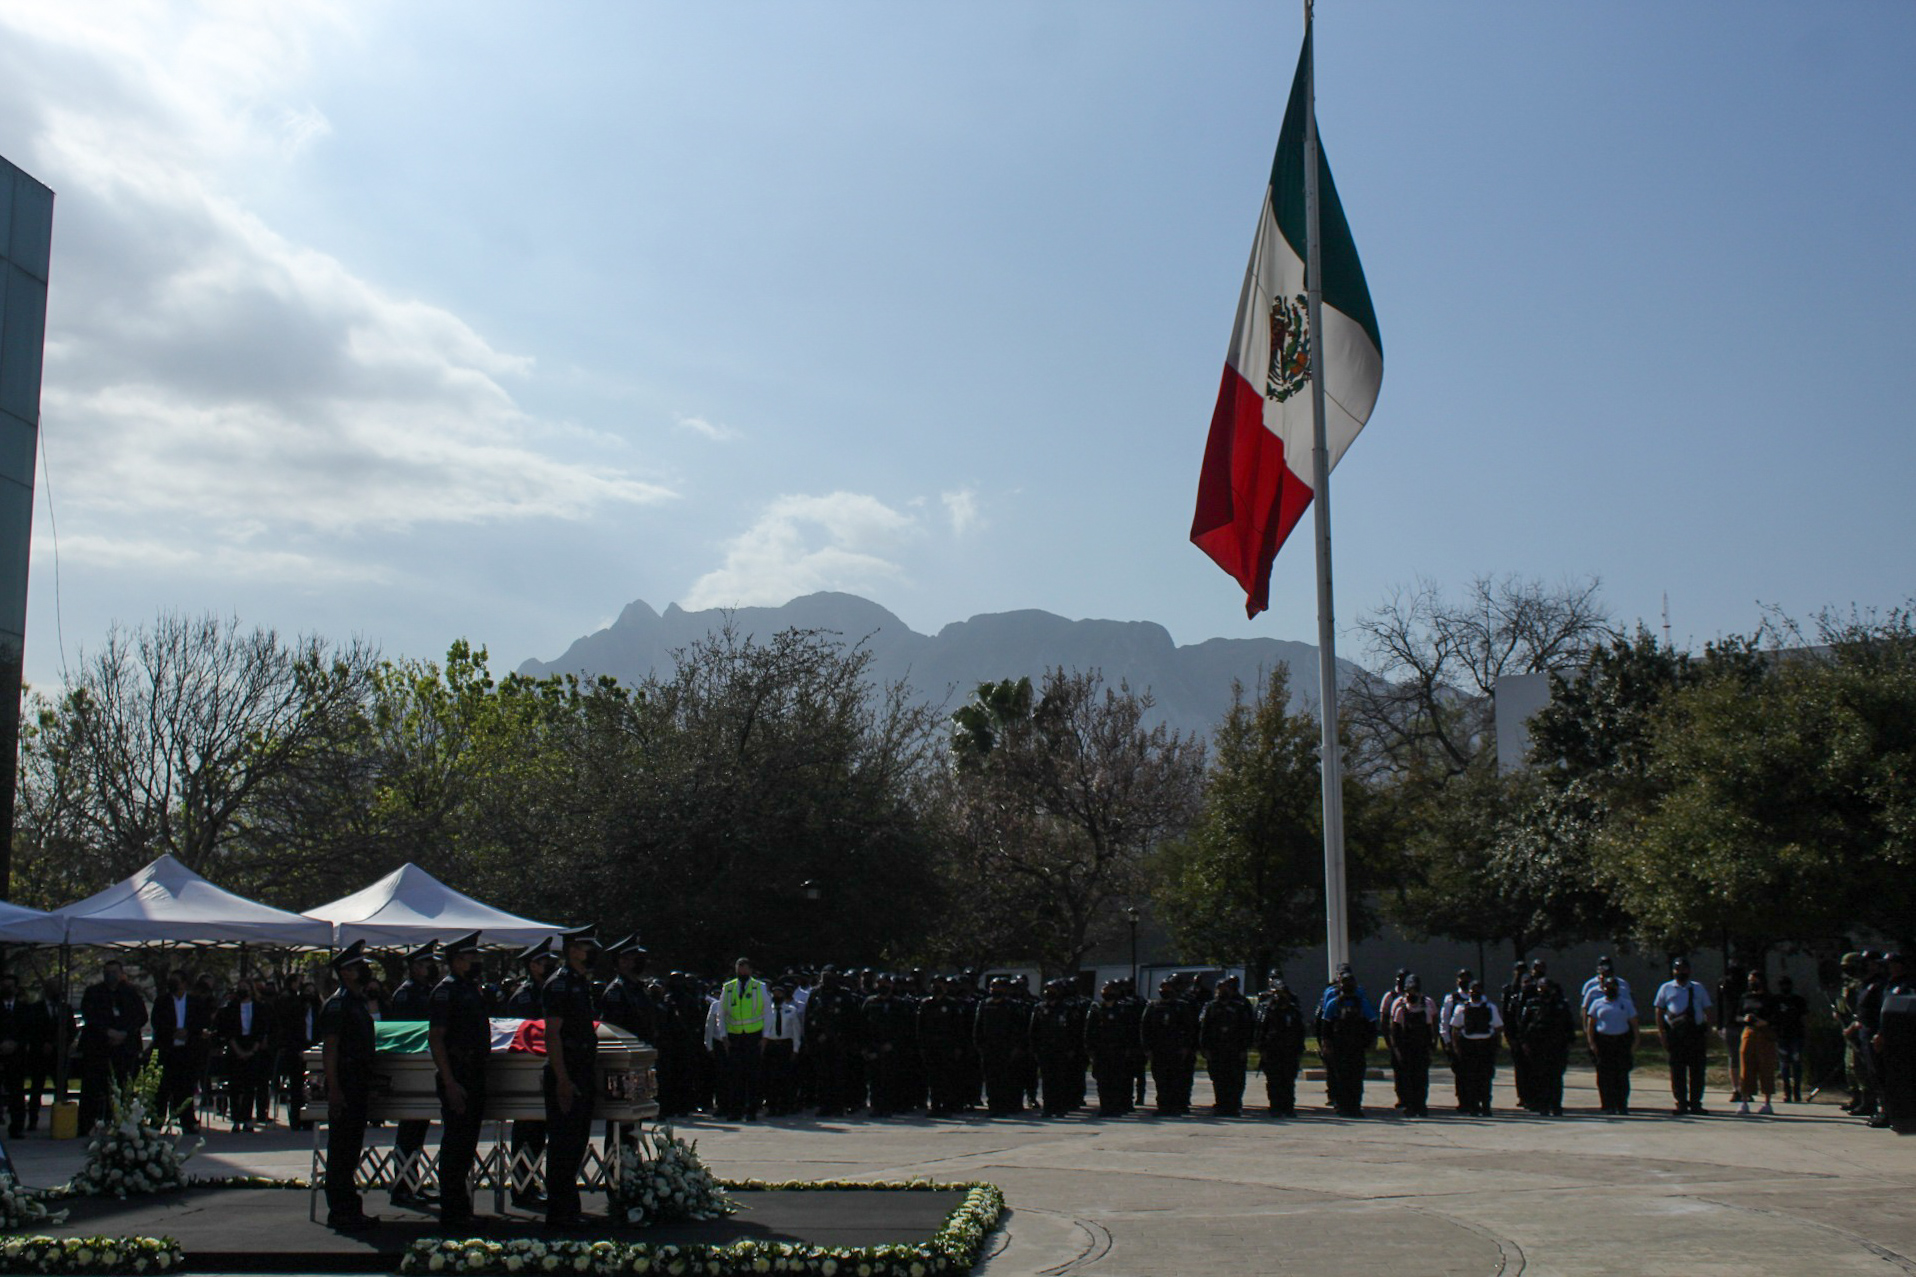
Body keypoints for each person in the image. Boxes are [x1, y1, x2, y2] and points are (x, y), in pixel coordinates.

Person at [541, 925, 601, 1228]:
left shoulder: (580, 983)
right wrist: (562, 1079)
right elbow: (552, 1035)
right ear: (572, 950)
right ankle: (559, 1213)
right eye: (587, 947)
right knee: (563, 1144)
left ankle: (569, 1209)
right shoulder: (560, 984)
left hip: (581, 1067)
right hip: (566, 1070)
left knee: (576, 1143)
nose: (592, 952)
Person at [429, 932, 489, 1230]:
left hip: (474, 1073)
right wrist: (450, 1081)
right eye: (470, 957)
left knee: (466, 1145)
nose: (476, 961)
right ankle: (452, 1210)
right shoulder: (446, 991)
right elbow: (437, 1038)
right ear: (455, 961)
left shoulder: (470, 989)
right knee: (455, 1145)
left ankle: (460, 1206)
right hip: (458, 1073)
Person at [319, 941, 379, 1232]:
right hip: (345, 1082)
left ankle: (349, 1207)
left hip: (358, 1082)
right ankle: (340, 1210)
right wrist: (334, 1089)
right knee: (341, 1149)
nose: (363, 970)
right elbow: (330, 1050)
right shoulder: (338, 1004)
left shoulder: (357, 1001)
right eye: (357, 967)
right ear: (344, 972)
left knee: (351, 1147)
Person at [386, 943, 439, 1208]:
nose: (431, 968)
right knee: (409, 1132)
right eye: (426, 964)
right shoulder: (406, 995)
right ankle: (402, 1186)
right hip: (411, 1067)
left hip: (424, 1066)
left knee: (417, 1131)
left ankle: (411, 1182)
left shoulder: (426, 992)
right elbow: (407, 1032)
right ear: (415, 967)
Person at [505, 938, 555, 1206]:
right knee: (526, 1131)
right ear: (532, 966)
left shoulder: (545, 991)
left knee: (538, 1133)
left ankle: (531, 1183)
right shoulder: (524, 996)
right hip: (527, 1070)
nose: (548, 965)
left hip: (543, 1068)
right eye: (543, 961)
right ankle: (522, 1186)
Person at [78, 959, 147, 1135]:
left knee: (123, 1088)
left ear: (121, 973)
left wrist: (125, 1033)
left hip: (125, 1048)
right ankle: (87, 1125)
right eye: (107, 972)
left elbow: (140, 1016)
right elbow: (90, 1015)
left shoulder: (131, 993)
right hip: (99, 1048)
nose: (111, 975)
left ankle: (121, 1124)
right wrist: (107, 1032)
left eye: (114, 972)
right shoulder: (94, 992)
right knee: (93, 1088)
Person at [1654, 956, 1714, 1116]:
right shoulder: (1666, 988)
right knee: (1677, 1070)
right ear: (1673, 971)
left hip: (1695, 1033)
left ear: (1689, 970)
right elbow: (1659, 1011)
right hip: (1676, 1035)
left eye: (1683, 969)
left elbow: (1708, 1009)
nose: (1681, 972)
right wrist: (1662, 1033)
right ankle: (1681, 1103)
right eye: (1677, 969)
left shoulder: (1698, 988)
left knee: (1697, 1070)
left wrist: (1709, 1030)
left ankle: (1696, 1103)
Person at [1316, 969, 1377, 1118]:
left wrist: (1371, 1042)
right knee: (1341, 1078)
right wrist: (1326, 1044)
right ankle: (1342, 1106)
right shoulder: (1333, 1003)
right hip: (1339, 1048)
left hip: (1357, 1047)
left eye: (1351, 981)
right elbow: (1326, 1026)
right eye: (1345, 981)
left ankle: (1355, 1106)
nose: (1348, 984)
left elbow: (1372, 1023)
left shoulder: (1362, 1003)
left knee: (1356, 1079)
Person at [1867, 953, 1916, 1133]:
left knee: (1900, 1079)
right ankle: (1889, 1112)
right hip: (1887, 1039)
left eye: (1890, 964)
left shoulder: (1907, 986)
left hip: (1899, 1040)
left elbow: (1896, 1014)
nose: (1886, 968)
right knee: (1884, 1077)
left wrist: (1882, 1033)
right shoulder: (1889, 984)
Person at [803, 966, 861, 1117]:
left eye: (829, 976)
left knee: (839, 1076)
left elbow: (852, 1020)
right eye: (824, 976)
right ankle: (824, 1106)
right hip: (819, 1043)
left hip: (839, 1042)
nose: (826, 979)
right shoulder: (815, 994)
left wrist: (847, 1040)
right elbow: (808, 1019)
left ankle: (838, 1106)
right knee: (822, 1076)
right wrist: (811, 1041)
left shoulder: (844, 994)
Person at [217, 977, 273, 1132]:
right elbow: (227, 1031)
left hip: (252, 1047)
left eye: (245, 987)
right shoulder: (231, 1008)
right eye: (240, 987)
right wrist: (238, 1050)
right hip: (235, 1047)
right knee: (235, 1086)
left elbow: (261, 1029)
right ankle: (236, 1119)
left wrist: (253, 1049)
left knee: (250, 1086)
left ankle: (247, 1118)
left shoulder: (259, 1008)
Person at [718, 957, 770, 1122]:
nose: (741, 971)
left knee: (752, 1076)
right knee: (735, 1076)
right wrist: (723, 1036)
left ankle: (751, 1110)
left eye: (744, 968)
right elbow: (722, 1013)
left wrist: (766, 1036)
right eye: (739, 968)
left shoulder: (759, 987)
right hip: (735, 1037)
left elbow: (768, 1012)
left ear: (750, 970)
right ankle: (735, 1110)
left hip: (753, 1036)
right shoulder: (728, 987)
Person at [1517, 972, 1575, 1118]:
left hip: (1557, 1046)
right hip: (1537, 1046)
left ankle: (1556, 1105)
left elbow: (1569, 1025)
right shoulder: (1532, 1004)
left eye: (1546, 987)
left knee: (1555, 1077)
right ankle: (1542, 1105)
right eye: (1540, 987)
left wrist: (1569, 1042)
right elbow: (1523, 1025)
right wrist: (1524, 1042)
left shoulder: (1560, 1004)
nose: (1543, 990)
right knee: (1540, 1076)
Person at [20, 980, 74, 1133]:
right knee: (37, 1087)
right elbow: (31, 1029)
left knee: (61, 1087)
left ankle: (61, 1120)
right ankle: (32, 1120)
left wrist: (60, 1044)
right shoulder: (35, 1009)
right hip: (40, 1054)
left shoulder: (65, 1009)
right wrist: (42, 1043)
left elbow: (71, 1030)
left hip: (58, 1053)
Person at [1199, 974, 1255, 1117]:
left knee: (1235, 1079)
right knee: (1219, 1079)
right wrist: (1204, 1047)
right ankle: (1221, 1105)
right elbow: (1204, 1028)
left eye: (1226, 988)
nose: (1223, 991)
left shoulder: (1240, 1007)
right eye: (1220, 988)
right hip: (1217, 1049)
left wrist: (1244, 1047)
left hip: (1235, 1049)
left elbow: (1247, 1028)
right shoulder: (1211, 1007)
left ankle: (1234, 1106)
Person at [1141, 978, 1198, 1116]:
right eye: (1162, 987)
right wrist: (1147, 1048)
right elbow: (1144, 1028)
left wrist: (1186, 1047)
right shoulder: (1153, 1007)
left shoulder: (1181, 1007)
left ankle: (1176, 1106)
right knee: (1160, 1080)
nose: (1164, 990)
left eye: (1167, 988)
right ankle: (1163, 1106)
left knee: (1176, 1079)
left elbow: (1190, 1028)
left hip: (1175, 1049)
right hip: (1158, 1050)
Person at [974, 978, 1028, 1115]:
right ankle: (994, 1106)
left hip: (1006, 1048)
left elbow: (1020, 1028)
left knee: (1006, 1078)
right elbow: (978, 1026)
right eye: (992, 986)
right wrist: (979, 1045)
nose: (994, 989)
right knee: (991, 1079)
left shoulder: (1013, 1006)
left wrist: (1017, 1047)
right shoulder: (984, 1005)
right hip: (989, 1047)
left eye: (998, 987)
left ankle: (1006, 1106)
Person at [1449, 980, 1503, 1117]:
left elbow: (1497, 1028)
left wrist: (1496, 1046)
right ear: (1469, 993)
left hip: (1486, 1046)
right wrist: (1457, 1048)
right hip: (1468, 1047)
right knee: (1470, 1079)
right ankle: (1473, 1106)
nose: (1475, 993)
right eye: (1473, 990)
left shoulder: (1491, 1007)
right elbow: (1455, 1029)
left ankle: (1485, 1105)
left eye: (1478, 990)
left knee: (1485, 1079)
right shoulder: (1461, 1008)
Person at [1255, 978, 1306, 1118]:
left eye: (1282, 993)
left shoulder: (1293, 1011)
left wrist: (1299, 1049)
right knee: (1274, 1081)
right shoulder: (1267, 1010)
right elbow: (1261, 1030)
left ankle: (1288, 1107)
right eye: (1277, 993)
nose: (1280, 996)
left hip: (1290, 1051)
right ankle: (1275, 1107)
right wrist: (1262, 1049)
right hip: (1272, 1051)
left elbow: (1300, 1031)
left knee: (1288, 1081)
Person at [1585, 978, 1638, 1114]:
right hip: (1603, 1042)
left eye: (1613, 986)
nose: (1610, 989)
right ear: (1603, 988)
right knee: (1604, 1076)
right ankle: (1607, 1104)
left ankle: (1621, 1104)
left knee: (1621, 1075)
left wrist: (1635, 1042)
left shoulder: (1626, 1003)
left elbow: (1634, 1024)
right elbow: (1591, 1025)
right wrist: (1592, 1043)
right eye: (1607, 986)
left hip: (1621, 1042)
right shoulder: (1597, 1004)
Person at [1388, 975, 1439, 1118]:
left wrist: (1431, 1048)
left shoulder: (1426, 1008)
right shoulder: (1400, 1009)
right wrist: (1397, 1052)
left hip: (1421, 1050)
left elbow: (1430, 1031)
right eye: (1410, 990)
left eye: (1415, 990)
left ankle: (1421, 1105)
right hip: (1406, 1051)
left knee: (1422, 1080)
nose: (1413, 993)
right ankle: (1409, 1106)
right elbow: (1395, 1033)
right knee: (1407, 1080)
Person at [1084, 980, 1137, 1116]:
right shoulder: (1096, 1009)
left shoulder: (1123, 1009)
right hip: (1101, 1052)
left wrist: (1128, 1048)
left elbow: (1129, 1031)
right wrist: (1090, 1049)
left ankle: (1116, 1107)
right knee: (1102, 1081)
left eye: (1110, 991)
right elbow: (1089, 1031)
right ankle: (1105, 1107)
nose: (1107, 994)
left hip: (1118, 1050)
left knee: (1117, 1080)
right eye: (1105, 991)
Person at [1029, 980, 1080, 1117]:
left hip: (1061, 1049)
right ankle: (1048, 1108)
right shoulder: (1039, 1008)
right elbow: (1034, 1030)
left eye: (1053, 990)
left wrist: (1071, 1048)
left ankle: (1060, 1108)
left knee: (1061, 1080)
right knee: (1047, 1080)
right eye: (1048, 989)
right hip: (1045, 1049)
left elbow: (1074, 1030)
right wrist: (1035, 1048)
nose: (1049, 992)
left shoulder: (1067, 1009)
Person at [1732, 970, 1778, 1116]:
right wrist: (1745, 1019)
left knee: (1766, 1066)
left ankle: (1767, 1102)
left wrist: (1765, 1022)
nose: (1752, 983)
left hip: (1765, 1034)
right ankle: (1744, 1099)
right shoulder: (1745, 997)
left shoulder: (1769, 998)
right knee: (1746, 1066)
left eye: (1754, 980)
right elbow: (1737, 1016)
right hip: (1748, 1032)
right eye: (1750, 980)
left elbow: (1776, 1017)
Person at [762, 982, 804, 1117]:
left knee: (785, 1078)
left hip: (786, 1045)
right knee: (770, 1078)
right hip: (771, 1045)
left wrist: (796, 1049)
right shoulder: (767, 1011)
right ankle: (771, 1105)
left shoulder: (791, 1010)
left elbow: (796, 1031)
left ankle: (784, 1105)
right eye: (774, 993)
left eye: (779, 993)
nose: (777, 995)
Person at [1437, 969, 1472, 1112]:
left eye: (1467, 978)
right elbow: (1445, 1021)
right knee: (1461, 1073)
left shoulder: (1477, 997)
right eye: (1461, 978)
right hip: (1458, 1042)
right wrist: (1447, 1041)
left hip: (1475, 1041)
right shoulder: (1451, 998)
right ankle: (1463, 1100)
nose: (1464, 981)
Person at [1773, 975, 1809, 1104]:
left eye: (1787, 984)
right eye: (1782, 985)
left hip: (1796, 1035)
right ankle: (1786, 1092)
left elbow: (1804, 1017)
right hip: (1782, 1035)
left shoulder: (1798, 1000)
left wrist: (1805, 1033)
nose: (1785, 987)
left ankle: (1797, 1092)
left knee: (1796, 1063)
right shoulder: (1776, 1000)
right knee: (1784, 1065)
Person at [0, 976, 22, 1139]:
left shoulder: (23, 1009)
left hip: (16, 1056)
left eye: (10, 987)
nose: (7, 990)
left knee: (16, 1092)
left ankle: (17, 1127)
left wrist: (16, 1043)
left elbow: (28, 1029)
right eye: (4, 987)